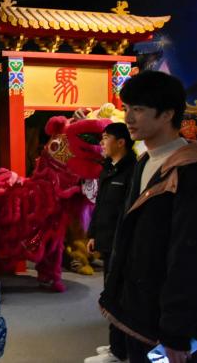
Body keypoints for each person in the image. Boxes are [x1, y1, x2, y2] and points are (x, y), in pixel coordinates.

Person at [99, 71, 197, 363]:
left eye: (138, 109)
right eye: (127, 108)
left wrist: (176, 329)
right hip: (137, 308)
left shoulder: (188, 170)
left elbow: (187, 255)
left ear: (167, 114)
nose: (128, 118)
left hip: (166, 316)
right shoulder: (143, 162)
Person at [85, 122, 136, 363]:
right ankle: (116, 344)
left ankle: (118, 350)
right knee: (110, 293)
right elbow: (100, 206)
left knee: (118, 295)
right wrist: (93, 234)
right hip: (106, 242)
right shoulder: (108, 169)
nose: (102, 143)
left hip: (122, 245)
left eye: (106, 138)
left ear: (121, 142)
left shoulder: (133, 170)